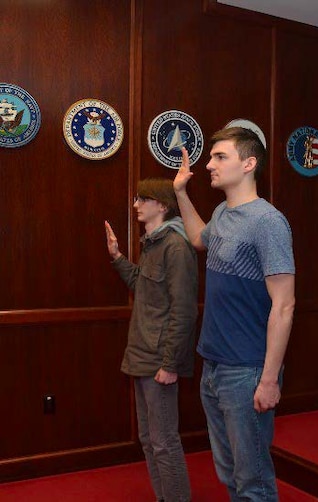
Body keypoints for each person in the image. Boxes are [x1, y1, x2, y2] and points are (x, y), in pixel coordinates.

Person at [173, 128, 295, 501]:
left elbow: (285, 304)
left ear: (249, 163)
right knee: (229, 474)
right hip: (214, 364)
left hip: (247, 369)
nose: (208, 164)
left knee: (253, 482)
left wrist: (270, 379)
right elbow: (198, 239)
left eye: (219, 157)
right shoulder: (223, 212)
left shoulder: (268, 222)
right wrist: (179, 192)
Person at [105, 178, 198, 502]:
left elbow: (184, 311)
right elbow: (145, 288)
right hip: (143, 355)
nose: (135, 205)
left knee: (164, 441)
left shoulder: (175, 246)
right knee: (149, 439)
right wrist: (117, 257)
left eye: (142, 199)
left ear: (161, 205)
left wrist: (170, 363)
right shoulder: (154, 243)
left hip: (159, 359)